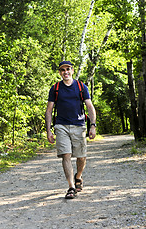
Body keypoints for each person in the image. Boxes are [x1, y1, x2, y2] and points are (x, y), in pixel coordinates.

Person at [45, 61, 96, 199]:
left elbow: (90, 107)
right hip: (61, 126)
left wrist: (93, 125)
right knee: (66, 155)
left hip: (79, 125)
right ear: (60, 72)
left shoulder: (81, 87)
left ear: (72, 70)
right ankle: (71, 187)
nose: (65, 72)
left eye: (68, 69)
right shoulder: (55, 88)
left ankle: (78, 176)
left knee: (81, 156)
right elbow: (49, 110)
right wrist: (49, 130)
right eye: (62, 70)